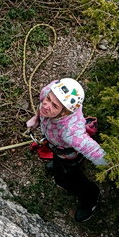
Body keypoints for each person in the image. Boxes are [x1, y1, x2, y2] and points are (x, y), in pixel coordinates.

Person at [26, 78, 106, 222]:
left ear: (64, 113)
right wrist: (37, 118)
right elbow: (44, 106)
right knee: (58, 168)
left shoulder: (70, 132)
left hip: (68, 156)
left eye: (54, 105)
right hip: (56, 147)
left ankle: (91, 198)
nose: (46, 105)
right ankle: (58, 166)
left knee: (66, 179)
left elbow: (94, 152)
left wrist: (116, 166)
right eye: (48, 99)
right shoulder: (49, 92)